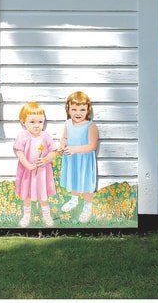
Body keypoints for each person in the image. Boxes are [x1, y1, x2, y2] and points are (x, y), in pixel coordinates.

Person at [13, 102, 58, 227]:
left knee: (43, 195)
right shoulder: (23, 136)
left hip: (42, 172)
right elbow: (19, 152)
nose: (37, 125)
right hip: (27, 171)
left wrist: (44, 160)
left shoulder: (45, 136)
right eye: (32, 122)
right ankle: (26, 216)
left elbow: (53, 152)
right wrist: (27, 164)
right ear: (23, 122)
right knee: (27, 194)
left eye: (40, 122)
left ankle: (47, 215)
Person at [59, 91, 99, 222]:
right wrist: (63, 145)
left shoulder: (90, 126)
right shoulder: (68, 124)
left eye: (82, 109)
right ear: (68, 109)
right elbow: (64, 137)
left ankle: (88, 205)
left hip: (84, 161)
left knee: (85, 183)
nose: (78, 113)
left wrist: (74, 149)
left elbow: (92, 146)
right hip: (72, 160)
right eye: (74, 109)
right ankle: (74, 199)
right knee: (73, 179)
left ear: (88, 110)